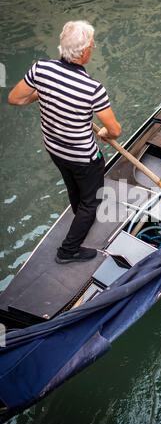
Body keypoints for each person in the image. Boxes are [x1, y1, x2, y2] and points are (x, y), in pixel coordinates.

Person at [8, 20, 121, 264]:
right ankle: (68, 251)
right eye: (91, 44)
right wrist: (104, 134)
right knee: (92, 201)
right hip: (83, 157)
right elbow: (114, 130)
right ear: (84, 52)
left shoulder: (41, 70)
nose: (92, 47)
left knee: (74, 188)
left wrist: (45, 93)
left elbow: (15, 99)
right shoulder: (93, 89)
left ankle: (79, 216)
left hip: (54, 149)